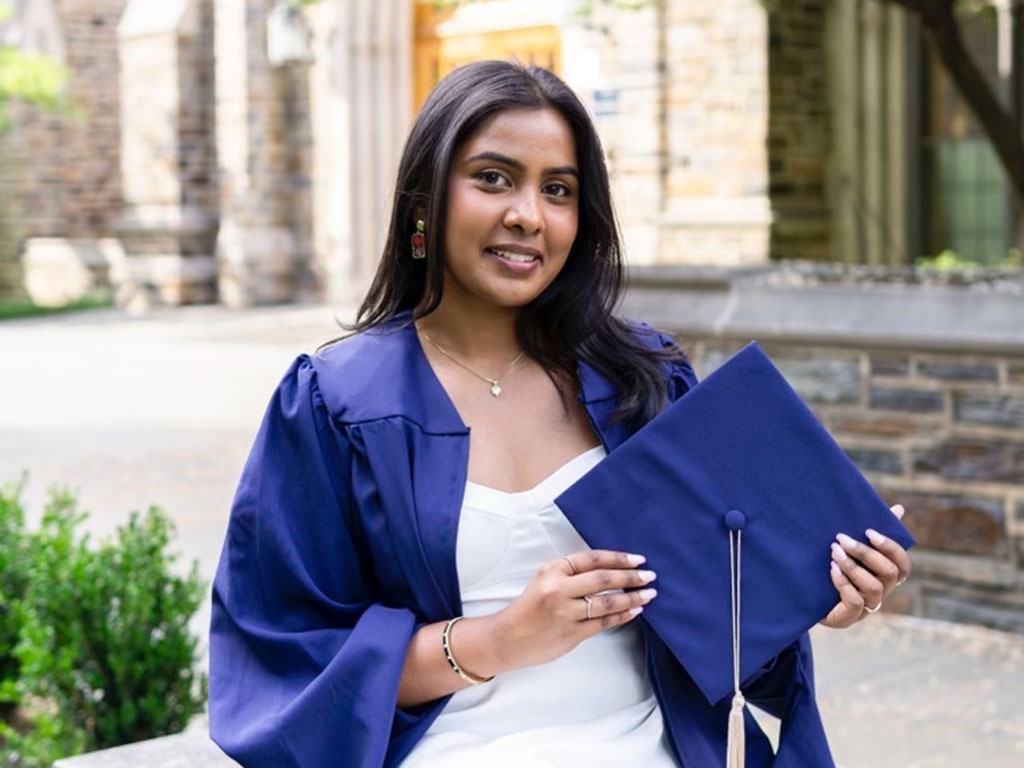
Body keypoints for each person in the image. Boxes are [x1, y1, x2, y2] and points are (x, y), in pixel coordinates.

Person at [208, 60, 912, 768]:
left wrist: (817, 597)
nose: (528, 215)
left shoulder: (642, 382)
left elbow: (722, 628)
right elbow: (286, 662)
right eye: (493, 177)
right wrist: (499, 639)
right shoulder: (339, 404)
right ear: (424, 202)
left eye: (558, 190)